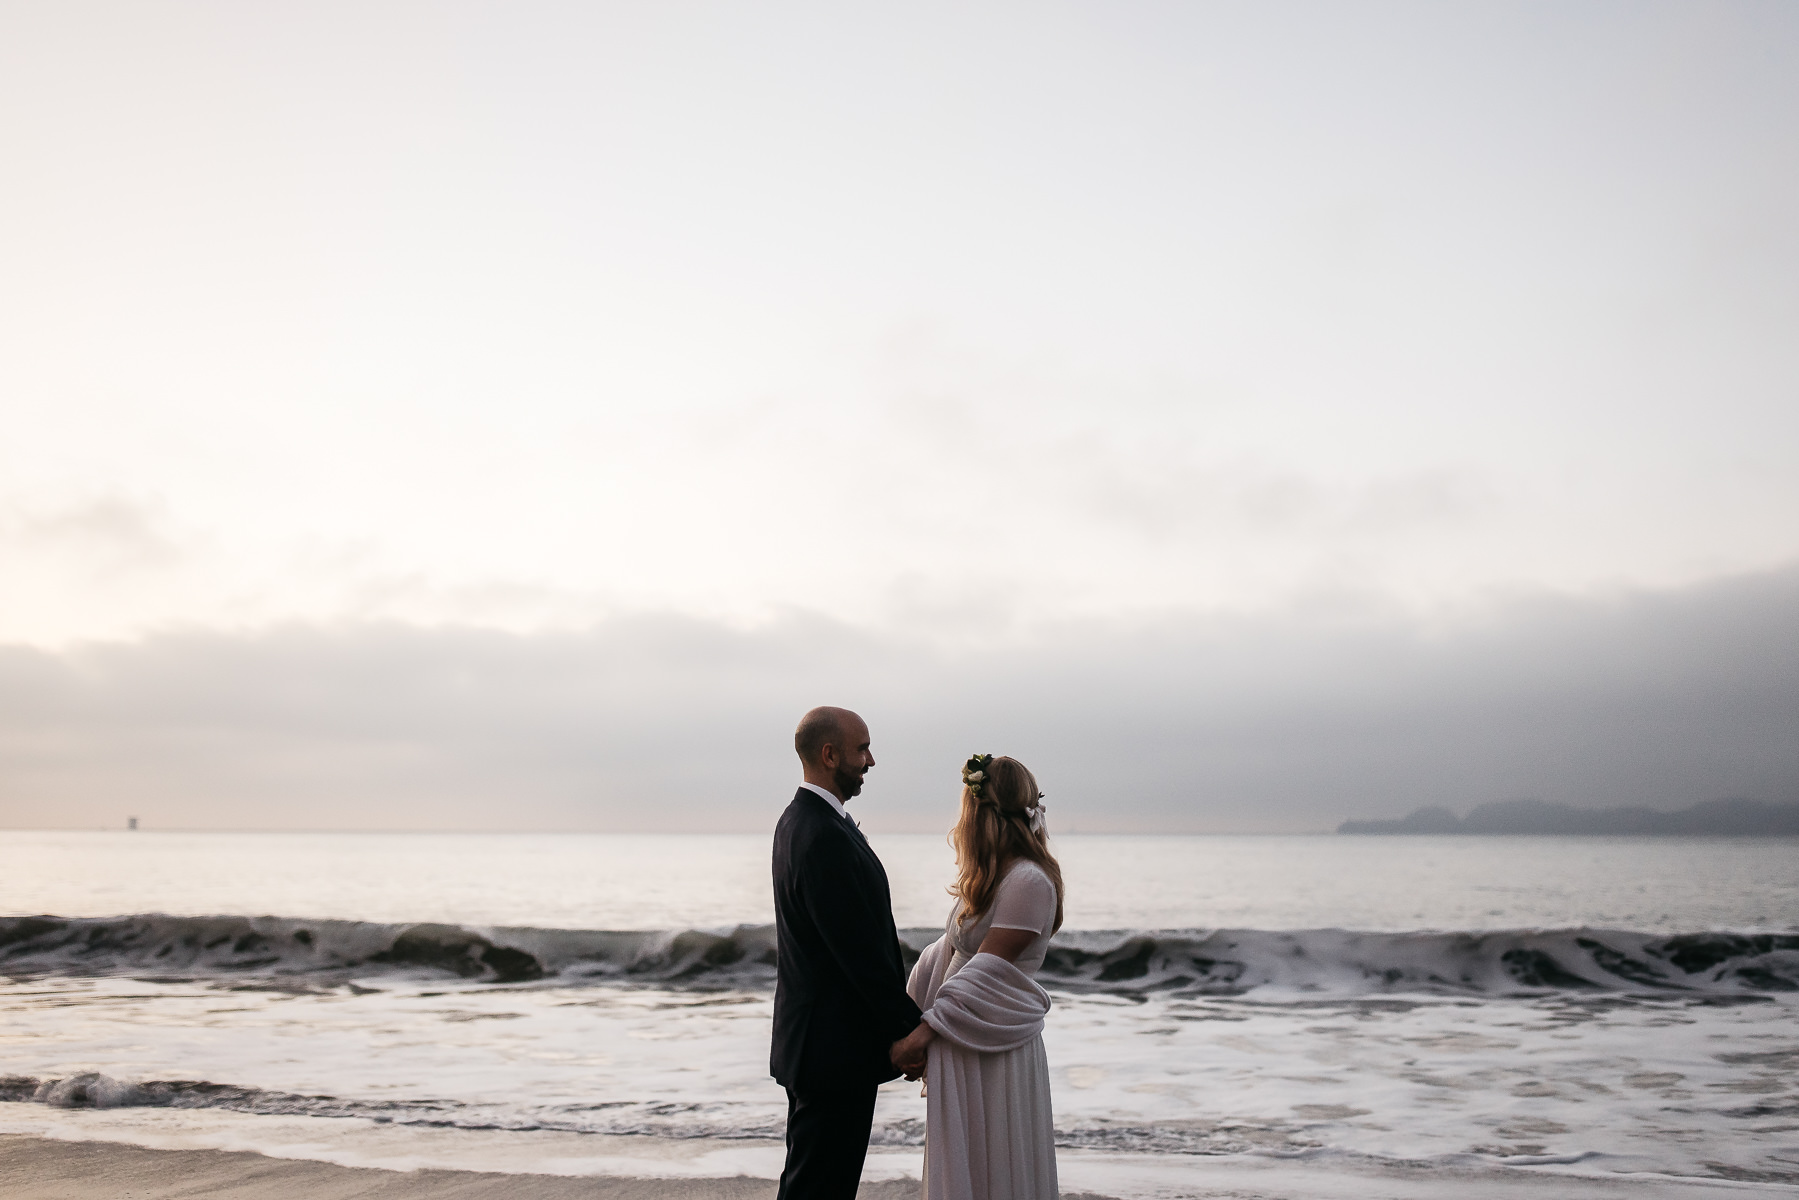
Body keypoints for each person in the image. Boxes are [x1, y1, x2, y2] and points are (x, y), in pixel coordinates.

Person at [890, 755, 1064, 1200]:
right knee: (967, 1166)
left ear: (980, 814)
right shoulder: (991, 880)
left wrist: (919, 1037)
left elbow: (987, 971)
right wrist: (907, 1015)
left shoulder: (1028, 881)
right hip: (962, 1035)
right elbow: (950, 953)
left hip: (993, 1044)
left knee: (996, 1167)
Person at [771, 706, 925, 1200]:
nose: (871, 760)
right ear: (829, 754)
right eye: (862, 749)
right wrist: (910, 1028)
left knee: (813, 1184)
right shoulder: (820, 835)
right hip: (831, 1051)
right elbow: (857, 951)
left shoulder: (801, 821)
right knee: (820, 1189)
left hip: (820, 1046)